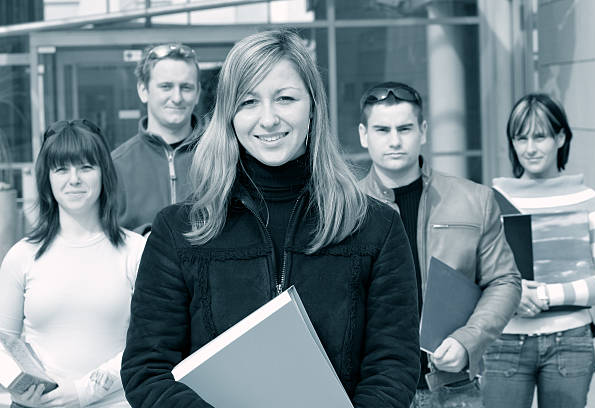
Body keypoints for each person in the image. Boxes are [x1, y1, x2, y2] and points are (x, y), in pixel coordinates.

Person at [120, 29, 421, 407]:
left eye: (285, 98)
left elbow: (393, 366)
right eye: (248, 101)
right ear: (229, 115)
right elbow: (147, 370)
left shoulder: (375, 227)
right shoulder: (178, 231)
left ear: (313, 106)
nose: (268, 119)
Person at [357, 81, 522, 407]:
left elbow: (505, 281)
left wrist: (468, 340)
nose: (394, 141)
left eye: (404, 128)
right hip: (374, 389)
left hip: (453, 388)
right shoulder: (343, 209)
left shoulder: (475, 200)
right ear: (364, 135)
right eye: (382, 130)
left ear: (424, 131)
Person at [0, 119, 146, 407]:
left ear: (104, 174)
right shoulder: (21, 256)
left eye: (86, 167)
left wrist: (83, 391)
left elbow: (147, 344)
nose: (74, 179)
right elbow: (3, 342)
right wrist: (17, 388)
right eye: (62, 169)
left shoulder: (136, 251)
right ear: (47, 179)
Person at [482, 93, 595, 408]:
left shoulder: (587, 199)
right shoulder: (490, 200)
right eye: (520, 137)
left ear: (561, 137)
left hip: (571, 343)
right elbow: (474, 278)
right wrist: (509, 295)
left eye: (539, 136)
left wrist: (543, 296)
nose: (529, 148)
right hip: (503, 344)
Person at [112, 42, 202, 234]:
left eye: (186, 87)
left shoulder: (224, 157)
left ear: (197, 94)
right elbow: (104, 238)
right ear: (143, 90)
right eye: (166, 87)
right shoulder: (115, 166)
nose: (177, 97)